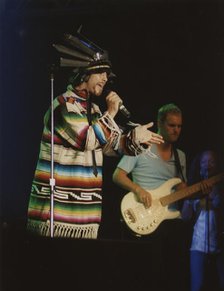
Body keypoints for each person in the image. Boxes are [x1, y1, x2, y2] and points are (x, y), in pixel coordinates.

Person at [26, 29, 163, 240]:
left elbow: (110, 146)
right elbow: (87, 140)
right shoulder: (62, 106)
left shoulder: (95, 112)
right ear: (85, 74)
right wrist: (111, 112)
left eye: (107, 74)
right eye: (101, 72)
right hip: (57, 216)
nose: (105, 78)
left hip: (86, 217)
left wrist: (135, 138)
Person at [112, 103, 188, 290]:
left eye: (179, 126)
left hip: (173, 222)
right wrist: (138, 189)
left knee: (173, 278)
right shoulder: (142, 147)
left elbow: (181, 191)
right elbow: (117, 175)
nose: (176, 130)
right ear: (159, 124)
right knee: (146, 277)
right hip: (147, 219)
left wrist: (196, 191)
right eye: (171, 125)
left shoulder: (180, 156)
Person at [181, 150, 224, 291]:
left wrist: (214, 195)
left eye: (211, 161)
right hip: (198, 246)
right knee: (197, 286)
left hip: (219, 246)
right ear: (199, 167)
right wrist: (188, 197)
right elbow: (185, 216)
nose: (207, 165)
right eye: (204, 162)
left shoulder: (220, 190)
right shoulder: (194, 189)